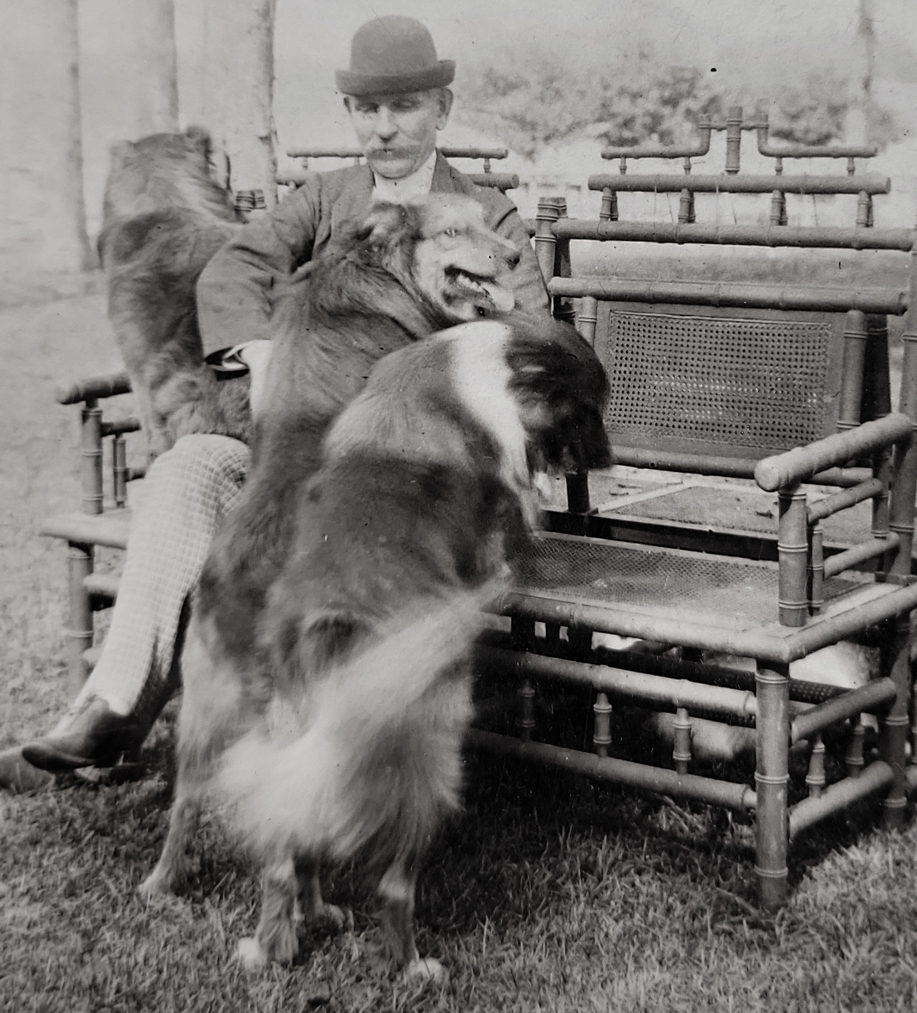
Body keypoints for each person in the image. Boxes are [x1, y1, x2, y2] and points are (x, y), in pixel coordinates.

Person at [0, 15, 548, 792]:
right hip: (293, 445)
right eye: (367, 110)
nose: (384, 128)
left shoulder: (486, 217)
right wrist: (259, 354)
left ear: (443, 109)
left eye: (403, 107)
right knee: (191, 467)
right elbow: (231, 270)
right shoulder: (324, 200)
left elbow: (531, 339)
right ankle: (110, 710)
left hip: (402, 472)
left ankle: (302, 752)